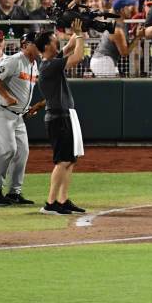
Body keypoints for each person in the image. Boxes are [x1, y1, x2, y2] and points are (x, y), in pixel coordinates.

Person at [36, 19, 87, 215]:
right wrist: (80, 35)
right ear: (47, 45)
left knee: (71, 160)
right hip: (59, 117)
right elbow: (77, 56)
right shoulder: (49, 65)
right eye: (54, 39)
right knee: (62, 161)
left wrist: (79, 27)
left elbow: (70, 45)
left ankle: (63, 200)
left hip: (66, 115)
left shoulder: (51, 61)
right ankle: (50, 203)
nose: (57, 40)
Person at [0, 32, 39, 206]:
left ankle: (14, 193)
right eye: (35, 43)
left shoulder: (34, 64)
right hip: (1, 110)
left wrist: (27, 108)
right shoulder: (15, 59)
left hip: (18, 115)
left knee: (22, 153)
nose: (39, 45)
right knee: (8, 150)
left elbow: (24, 89)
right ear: (25, 45)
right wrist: (6, 96)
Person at [89, 0, 145, 77]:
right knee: (112, 88)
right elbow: (124, 53)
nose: (131, 8)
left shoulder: (118, 23)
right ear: (122, 10)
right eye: (128, 6)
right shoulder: (117, 30)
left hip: (103, 60)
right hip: (103, 61)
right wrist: (138, 37)